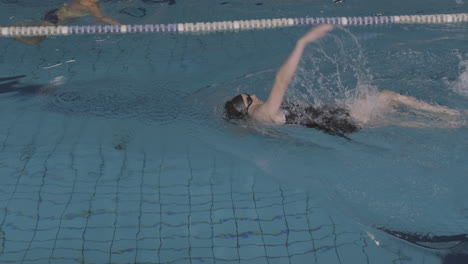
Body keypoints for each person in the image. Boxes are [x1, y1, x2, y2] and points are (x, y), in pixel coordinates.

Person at [224, 25, 462, 138]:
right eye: (248, 97)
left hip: (339, 118)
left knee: (391, 116)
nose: (253, 95)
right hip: (343, 120)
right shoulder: (262, 114)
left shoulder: (260, 118)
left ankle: (451, 123)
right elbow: (281, 81)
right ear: (247, 107)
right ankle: (450, 116)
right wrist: (302, 43)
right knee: (388, 97)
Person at [13, 0, 121, 45]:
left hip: (54, 13)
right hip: (55, 21)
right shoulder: (92, 5)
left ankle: (17, 29)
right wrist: (120, 26)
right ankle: (13, 31)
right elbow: (102, 18)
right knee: (35, 41)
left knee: (37, 29)